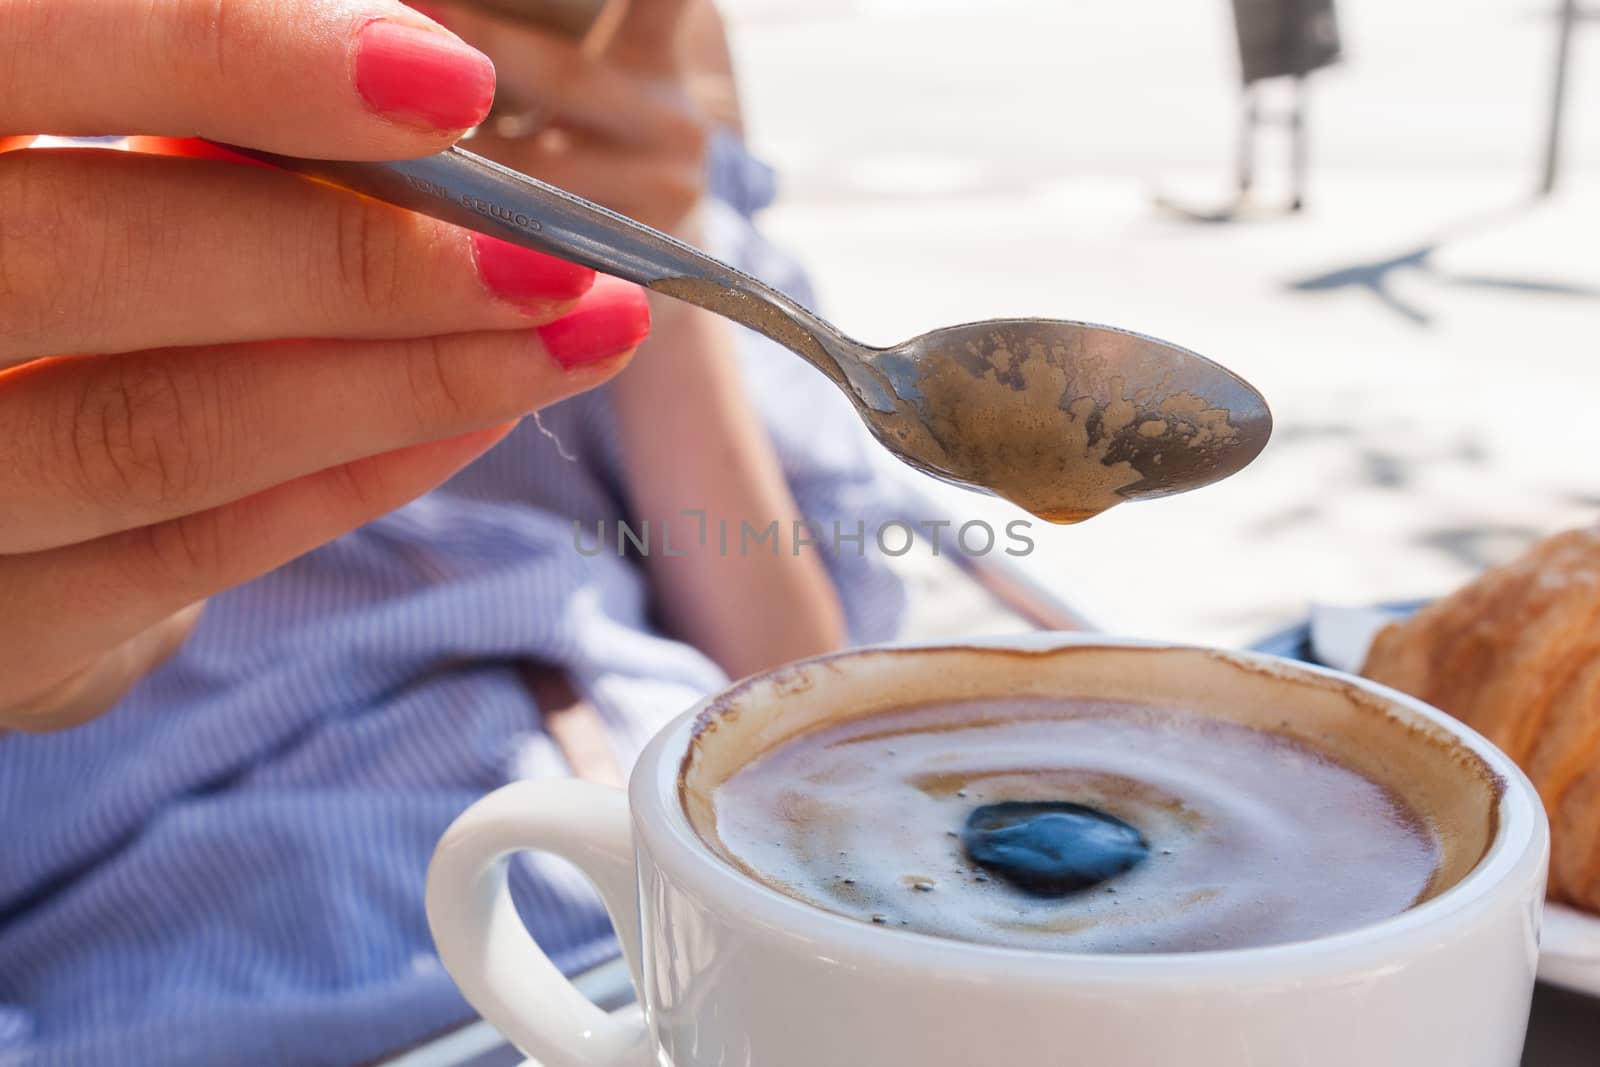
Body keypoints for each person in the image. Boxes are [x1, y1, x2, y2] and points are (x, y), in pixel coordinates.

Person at [0, 2, 906, 1063]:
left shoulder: (667, 165)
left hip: (673, 916)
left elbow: (818, 717)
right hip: (194, 962)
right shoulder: (54, 164)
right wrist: (64, 673)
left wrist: (666, 262)